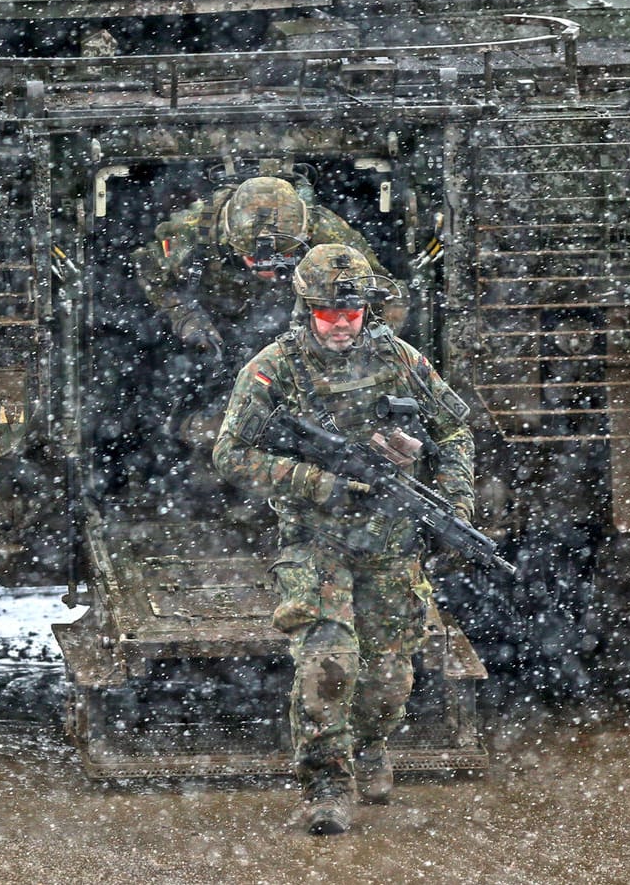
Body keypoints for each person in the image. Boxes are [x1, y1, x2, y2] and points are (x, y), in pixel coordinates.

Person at [213, 244, 474, 835]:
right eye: (329, 315)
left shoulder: (400, 359)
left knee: (388, 679)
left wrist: (454, 499)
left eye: (351, 314)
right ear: (307, 309)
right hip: (315, 540)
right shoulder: (272, 369)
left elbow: (455, 426)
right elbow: (230, 454)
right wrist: (321, 482)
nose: (340, 325)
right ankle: (326, 785)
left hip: (389, 541)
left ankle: (371, 744)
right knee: (328, 665)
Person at [132, 173, 403, 451]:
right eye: (254, 259)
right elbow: (150, 268)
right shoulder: (193, 232)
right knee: (205, 423)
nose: (269, 270)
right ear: (231, 241)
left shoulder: (326, 233)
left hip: (303, 323)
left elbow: (388, 294)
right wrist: (186, 317)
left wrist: (359, 347)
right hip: (222, 324)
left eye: (282, 258)